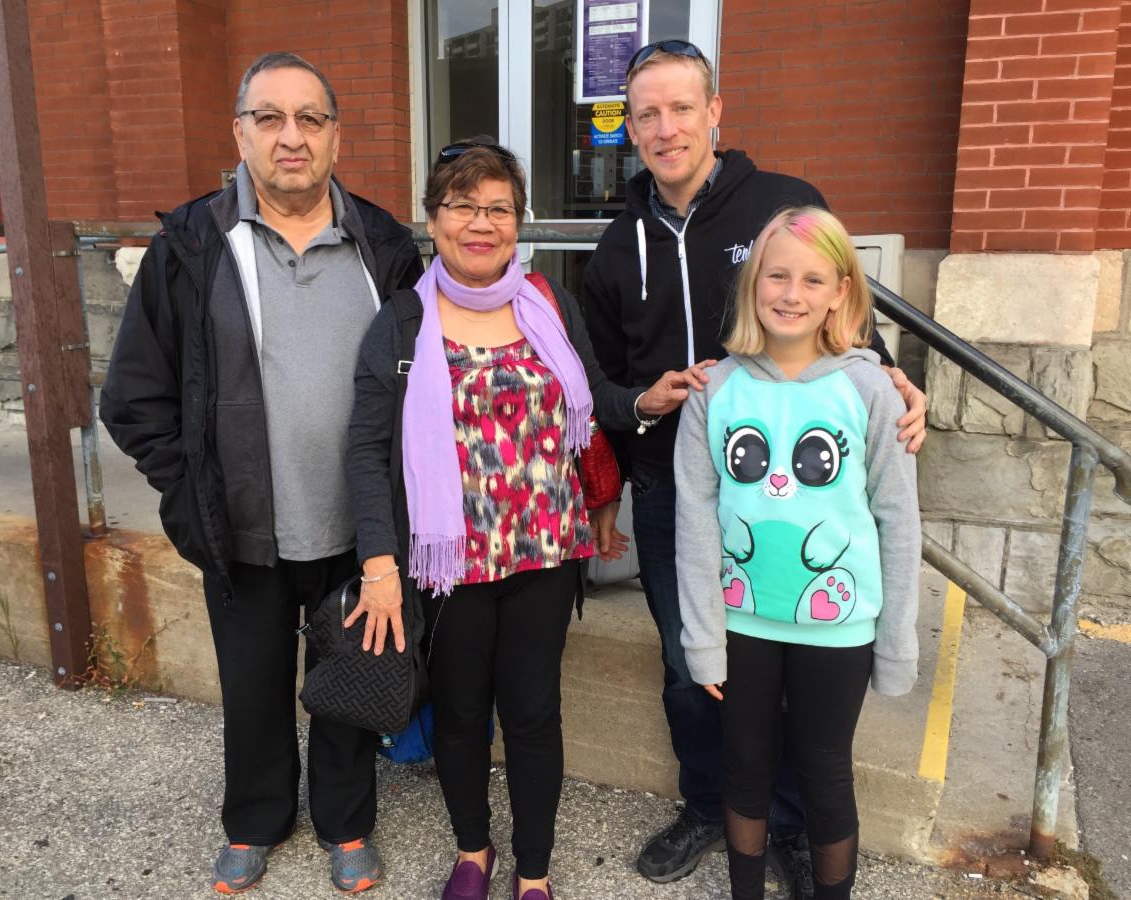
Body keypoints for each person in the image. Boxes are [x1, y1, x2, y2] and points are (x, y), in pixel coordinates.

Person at [581, 40, 927, 893]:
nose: (665, 129)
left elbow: (836, 302)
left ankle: (795, 826)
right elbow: (594, 379)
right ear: (629, 126)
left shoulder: (779, 203)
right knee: (692, 664)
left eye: (681, 108)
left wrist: (888, 372)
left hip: (796, 494)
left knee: (791, 682)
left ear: (715, 112)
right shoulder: (616, 245)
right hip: (678, 490)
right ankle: (710, 805)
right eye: (647, 113)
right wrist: (637, 406)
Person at [346, 138, 710, 900]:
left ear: (519, 221)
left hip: (546, 551)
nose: (481, 223)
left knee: (535, 713)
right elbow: (366, 450)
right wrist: (378, 566)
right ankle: (473, 853)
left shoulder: (547, 304)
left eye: (498, 209)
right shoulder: (402, 322)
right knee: (462, 713)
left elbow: (596, 395)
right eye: (462, 206)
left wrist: (644, 402)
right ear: (433, 218)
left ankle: (534, 872)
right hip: (450, 562)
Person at [99, 52, 422, 895]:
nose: (291, 137)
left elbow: (426, 386)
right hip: (241, 523)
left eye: (310, 119)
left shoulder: (383, 247)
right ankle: (256, 818)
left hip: (360, 524)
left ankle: (346, 823)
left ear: (335, 135)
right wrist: (188, 486)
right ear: (239, 132)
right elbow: (133, 397)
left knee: (352, 675)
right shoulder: (193, 245)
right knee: (252, 685)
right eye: (269, 118)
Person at [675, 206, 921, 899]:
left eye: (813, 279)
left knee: (823, 770)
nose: (791, 293)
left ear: (841, 291)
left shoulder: (871, 389)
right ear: (754, 282)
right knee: (745, 766)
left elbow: (898, 520)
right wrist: (703, 638)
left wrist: (896, 642)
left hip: (838, 629)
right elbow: (695, 519)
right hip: (743, 623)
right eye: (777, 275)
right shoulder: (714, 390)